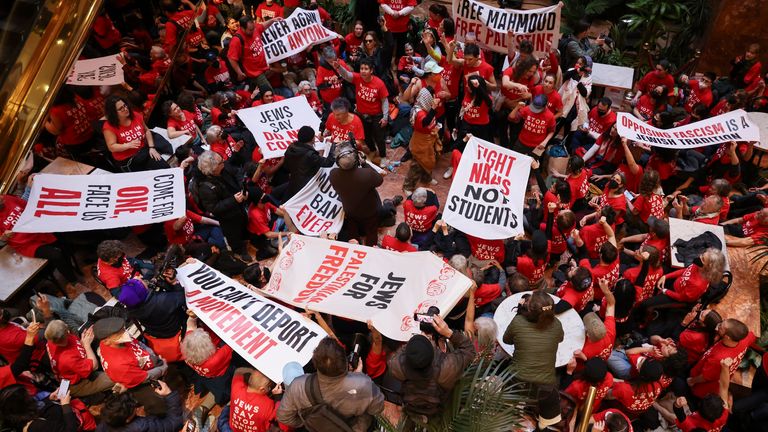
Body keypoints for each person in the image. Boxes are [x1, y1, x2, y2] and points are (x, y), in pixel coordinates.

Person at [276, 337, 385, 431]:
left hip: (319, 428)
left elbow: (283, 416)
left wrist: (308, 421)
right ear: (346, 363)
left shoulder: (298, 386)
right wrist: (358, 378)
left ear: (315, 364)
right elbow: (377, 408)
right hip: (355, 428)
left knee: (290, 368)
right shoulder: (363, 383)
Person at [388, 314, 475, 425]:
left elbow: (398, 355)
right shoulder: (445, 368)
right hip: (439, 411)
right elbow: (469, 350)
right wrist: (448, 333)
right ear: (433, 352)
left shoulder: (398, 366)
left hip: (412, 407)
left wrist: (415, 343)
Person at [503, 290, 564, 430]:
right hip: (545, 388)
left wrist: (519, 312)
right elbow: (560, 338)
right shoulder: (556, 325)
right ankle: (544, 426)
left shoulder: (518, 321)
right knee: (551, 402)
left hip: (516, 381)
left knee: (508, 407)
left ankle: (510, 418)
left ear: (529, 309)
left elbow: (507, 340)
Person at [94, 317, 169, 415]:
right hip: (138, 382)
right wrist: (162, 368)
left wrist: (152, 355)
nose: (124, 333)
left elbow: (139, 344)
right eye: (118, 333)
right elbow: (144, 377)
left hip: (144, 365)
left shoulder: (118, 339)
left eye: (123, 329)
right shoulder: (118, 364)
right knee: (157, 403)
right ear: (106, 341)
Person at [192, 150, 251, 262]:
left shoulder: (223, 167)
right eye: (220, 162)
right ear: (213, 169)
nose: (224, 162)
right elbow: (213, 208)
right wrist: (233, 200)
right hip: (227, 216)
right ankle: (239, 250)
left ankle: (246, 238)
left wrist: (243, 189)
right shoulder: (204, 188)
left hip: (238, 204)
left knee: (244, 222)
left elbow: (237, 173)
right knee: (234, 233)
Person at [332, 57, 390, 166]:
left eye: (366, 69)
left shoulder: (379, 83)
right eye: (361, 68)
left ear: (371, 70)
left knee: (379, 138)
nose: (363, 71)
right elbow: (347, 75)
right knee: (366, 136)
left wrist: (385, 117)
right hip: (361, 115)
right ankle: (372, 150)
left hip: (376, 116)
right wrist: (339, 67)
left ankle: (383, 157)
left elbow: (384, 101)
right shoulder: (358, 78)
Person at [330, 143, 385, 246]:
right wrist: (364, 164)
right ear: (356, 159)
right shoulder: (367, 174)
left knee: (352, 230)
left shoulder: (333, 174)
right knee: (371, 231)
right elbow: (379, 180)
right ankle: (370, 249)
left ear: (338, 163)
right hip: (369, 211)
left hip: (350, 210)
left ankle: (353, 247)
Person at [44, 320, 115, 397]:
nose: (66, 324)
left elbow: (75, 350)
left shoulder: (52, 340)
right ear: (66, 333)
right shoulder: (67, 359)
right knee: (116, 378)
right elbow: (94, 366)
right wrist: (87, 345)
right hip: (78, 383)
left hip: (74, 370)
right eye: (65, 326)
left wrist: (83, 342)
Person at [102, 95, 169, 172]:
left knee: (166, 169)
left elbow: (147, 131)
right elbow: (111, 147)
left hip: (143, 152)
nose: (125, 109)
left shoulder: (135, 115)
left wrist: (152, 147)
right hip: (128, 160)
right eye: (121, 109)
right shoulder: (109, 126)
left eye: (125, 105)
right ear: (113, 112)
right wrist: (128, 145)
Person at [219, 367, 289, 432]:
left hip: (232, 428)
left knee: (227, 408)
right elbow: (282, 421)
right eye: (269, 387)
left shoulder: (237, 387)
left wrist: (254, 374)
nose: (270, 388)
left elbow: (239, 370)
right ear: (262, 389)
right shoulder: (268, 404)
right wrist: (278, 397)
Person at [96, 380, 184, 432]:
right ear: (128, 419)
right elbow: (175, 423)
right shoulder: (142, 426)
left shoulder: (104, 424)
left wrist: (121, 393)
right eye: (134, 408)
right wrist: (169, 395)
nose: (137, 407)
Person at [279, 126, 336, 200]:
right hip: (306, 190)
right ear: (312, 139)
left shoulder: (291, 148)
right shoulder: (310, 155)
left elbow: (286, 167)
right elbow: (329, 162)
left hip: (292, 185)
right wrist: (334, 145)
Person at [227, 16, 284, 89]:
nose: (253, 30)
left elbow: (263, 26)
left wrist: (273, 20)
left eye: (253, 28)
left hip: (265, 67)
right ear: (242, 28)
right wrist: (239, 72)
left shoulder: (254, 28)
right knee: (269, 92)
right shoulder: (236, 40)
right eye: (250, 30)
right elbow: (231, 58)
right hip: (255, 73)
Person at [403, 87, 441, 194]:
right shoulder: (419, 112)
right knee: (417, 164)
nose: (434, 98)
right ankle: (407, 186)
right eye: (432, 96)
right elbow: (425, 122)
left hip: (429, 140)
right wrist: (433, 108)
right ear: (427, 98)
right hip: (420, 142)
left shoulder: (427, 107)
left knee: (429, 160)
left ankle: (426, 178)